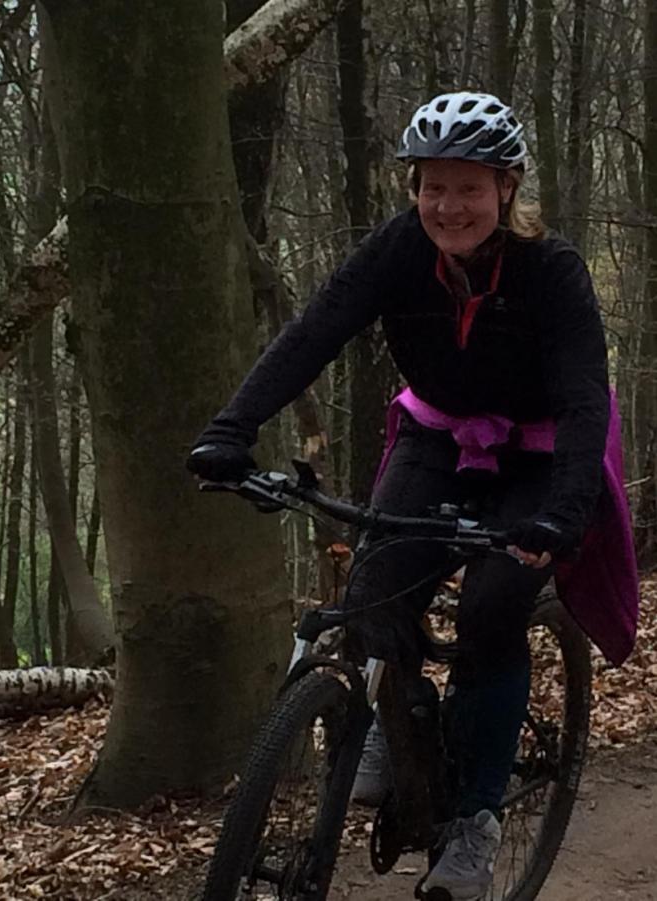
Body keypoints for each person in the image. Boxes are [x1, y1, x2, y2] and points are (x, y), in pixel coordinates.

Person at [187, 91, 625, 900]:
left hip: (537, 455)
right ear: (414, 188)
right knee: (371, 593)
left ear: (506, 189)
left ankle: (476, 817)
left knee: (492, 608)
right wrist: (231, 429)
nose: (448, 206)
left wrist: (563, 511)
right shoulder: (397, 249)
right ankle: (393, 722)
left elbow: (582, 399)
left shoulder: (550, 270)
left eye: (469, 187)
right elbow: (313, 333)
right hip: (438, 436)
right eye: (433, 186)